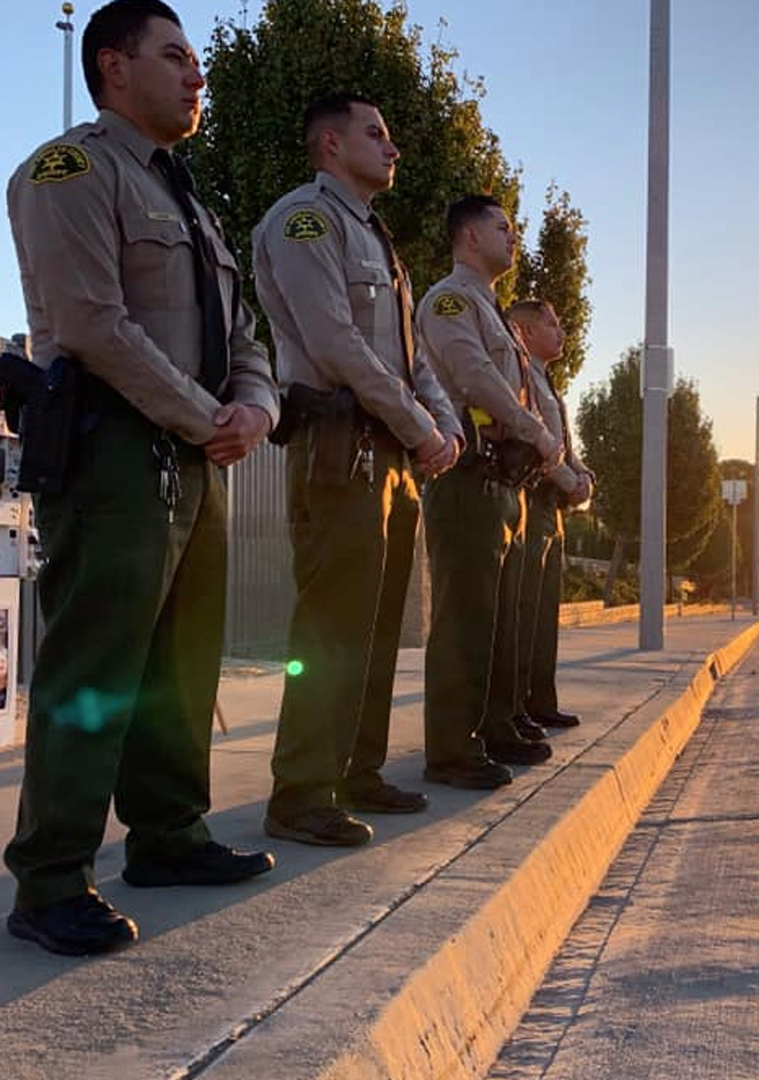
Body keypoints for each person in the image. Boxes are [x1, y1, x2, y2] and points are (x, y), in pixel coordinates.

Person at [2, 0, 279, 957]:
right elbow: (89, 322)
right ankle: (50, 879)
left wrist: (256, 409)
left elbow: (242, 338)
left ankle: (168, 834)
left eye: (195, 59)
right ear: (114, 66)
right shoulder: (69, 170)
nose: (196, 75)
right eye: (175, 57)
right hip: (115, 448)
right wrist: (209, 418)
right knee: (96, 668)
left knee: (179, 663)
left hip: (201, 458)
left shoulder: (192, 202)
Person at [249, 94, 463, 847]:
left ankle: (356, 769)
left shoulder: (380, 240)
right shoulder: (305, 221)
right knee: (333, 625)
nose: (393, 147)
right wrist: (418, 424)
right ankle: (302, 790)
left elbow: (411, 360)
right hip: (341, 444)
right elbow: (335, 343)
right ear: (330, 144)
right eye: (377, 134)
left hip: (392, 453)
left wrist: (439, 428)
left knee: (374, 625)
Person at [414, 194, 562, 790]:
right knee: (465, 620)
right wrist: (538, 434)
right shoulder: (451, 301)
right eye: (500, 227)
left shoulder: (494, 312)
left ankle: (495, 725)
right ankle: (452, 748)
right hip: (470, 474)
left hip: (505, 479)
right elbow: (475, 378)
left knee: (500, 619)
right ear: (469, 238)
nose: (512, 235)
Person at [504, 298, 592, 731]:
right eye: (551, 324)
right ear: (525, 332)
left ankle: (540, 699)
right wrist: (567, 481)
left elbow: (563, 445)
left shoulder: (547, 380)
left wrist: (581, 475)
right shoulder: (521, 378)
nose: (561, 332)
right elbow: (536, 441)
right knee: (525, 608)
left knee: (544, 613)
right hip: (535, 496)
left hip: (553, 506)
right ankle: (516, 706)